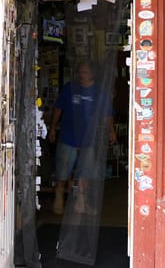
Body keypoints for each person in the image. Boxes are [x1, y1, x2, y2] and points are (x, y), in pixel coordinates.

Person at [48, 60, 116, 215]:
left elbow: (107, 114)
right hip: (68, 137)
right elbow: (58, 109)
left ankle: (81, 202)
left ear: (92, 74)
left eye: (85, 72)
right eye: (80, 72)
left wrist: (111, 131)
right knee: (63, 171)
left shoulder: (99, 92)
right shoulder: (69, 89)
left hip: (88, 139)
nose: (82, 75)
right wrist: (52, 128)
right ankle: (59, 196)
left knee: (85, 173)